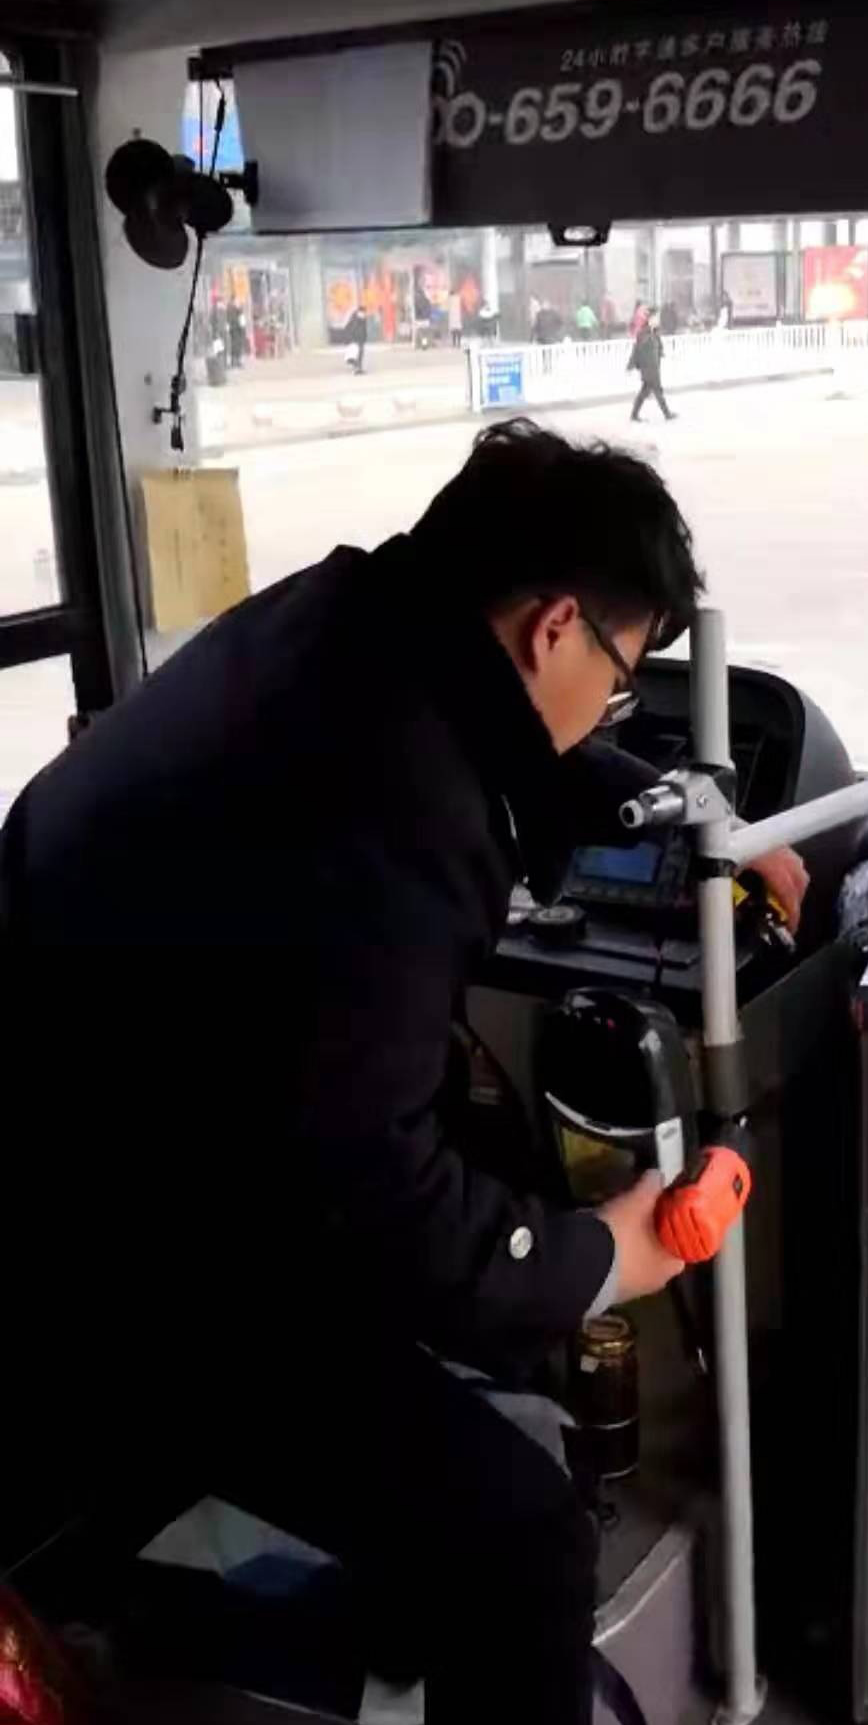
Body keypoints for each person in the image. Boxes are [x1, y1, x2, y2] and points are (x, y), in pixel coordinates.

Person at [1, 421, 807, 1725]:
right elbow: (385, 1196)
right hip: (127, 1259)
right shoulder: (392, 803)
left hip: (109, 1125)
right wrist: (599, 1255)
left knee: (468, 1284)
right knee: (526, 1535)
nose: (612, 712)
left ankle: (397, 1607)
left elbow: (500, 730)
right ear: (553, 626)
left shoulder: (346, 617)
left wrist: (692, 817)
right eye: (618, 681)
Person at [629, 308, 675, 423]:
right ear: (649, 320)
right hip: (648, 368)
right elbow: (637, 350)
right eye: (655, 318)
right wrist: (632, 364)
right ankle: (667, 414)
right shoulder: (643, 333)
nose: (657, 321)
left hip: (654, 367)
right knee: (657, 390)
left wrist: (660, 352)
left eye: (657, 319)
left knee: (645, 391)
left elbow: (658, 347)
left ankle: (634, 414)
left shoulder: (654, 333)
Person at [343, 305, 367, 374]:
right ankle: (357, 368)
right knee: (356, 354)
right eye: (362, 312)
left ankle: (359, 368)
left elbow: (364, 329)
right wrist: (349, 339)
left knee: (360, 353)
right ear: (359, 312)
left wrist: (364, 337)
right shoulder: (354, 319)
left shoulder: (363, 319)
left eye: (364, 312)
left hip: (360, 339)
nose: (363, 314)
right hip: (354, 339)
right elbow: (350, 329)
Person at [225, 295, 247, 368]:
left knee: (238, 346)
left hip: (238, 330)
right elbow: (229, 320)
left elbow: (242, 319)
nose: (237, 302)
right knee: (233, 346)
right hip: (233, 330)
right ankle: (234, 361)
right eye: (236, 301)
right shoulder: (230, 310)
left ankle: (238, 361)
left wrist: (243, 329)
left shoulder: (239, 310)